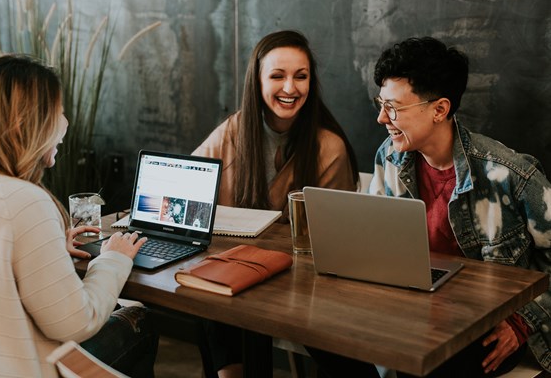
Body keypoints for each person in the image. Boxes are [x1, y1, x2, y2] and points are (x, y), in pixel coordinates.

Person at [367, 36, 551, 376]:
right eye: (380, 103)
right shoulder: (389, 158)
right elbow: (374, 241)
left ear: (439, 109)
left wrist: (522, 323)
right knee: (325, 340)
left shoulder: (509, 174)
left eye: (393, 107)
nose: (381, 118)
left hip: (482, 327)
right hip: (412, 314)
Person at [192, 30, 359, 378]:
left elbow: (334, 240)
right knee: (206, 296)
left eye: (301, 76)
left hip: (302, 287)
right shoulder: (234, 131)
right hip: (235, 274)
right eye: (277, 76)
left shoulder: (329, 148)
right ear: (257, 80)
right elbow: (190, 187)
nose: (290, 88)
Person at [0, 54, 158, 377]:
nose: (65, 124)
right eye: (59, 113)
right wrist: (113, 260)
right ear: (27, 125)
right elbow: (75, 322)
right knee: (139, 318)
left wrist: (46, 249)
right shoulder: (24, 201)